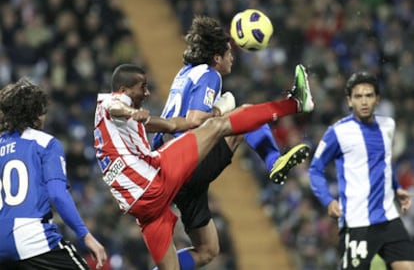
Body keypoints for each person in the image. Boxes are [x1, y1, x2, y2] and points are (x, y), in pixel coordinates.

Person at [93, 63, 314, 270]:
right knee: (219, 127)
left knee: (199, 255)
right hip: (155, 179)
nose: (147, 93)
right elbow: (116, 107)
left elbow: (174, 124)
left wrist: (216, 110)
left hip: (142, 208)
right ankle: (293, 104)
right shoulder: (111, 104)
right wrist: (131, 112)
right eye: (143, 88)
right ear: (124, 90)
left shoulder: (120, 126)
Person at [151, 15, 311, 267]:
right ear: (217, 58)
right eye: (228, 53)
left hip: (167, 169)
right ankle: (275, 155)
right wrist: (219, 111)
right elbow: (193, 119)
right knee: (244, 116)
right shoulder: (209, 75)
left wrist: (219, 109)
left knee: (207, 250)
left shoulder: (185, 73)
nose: (232, 57)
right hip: (185, 162)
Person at [308, 71, 414, 270]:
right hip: (357, 222)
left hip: (389, 218)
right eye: (358, 96)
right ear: (349, 101)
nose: (364, 101)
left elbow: (384, 161)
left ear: (378, 99)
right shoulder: (337, 132)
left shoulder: (388, 125)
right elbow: (315, 170)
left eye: (369, 95)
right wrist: (328, 200)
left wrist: (396, 187)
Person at [0, 78, 107, 269]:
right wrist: (86, 235)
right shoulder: (45, 143)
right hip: (33, 240)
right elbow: (57, 194)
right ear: (36, 114)